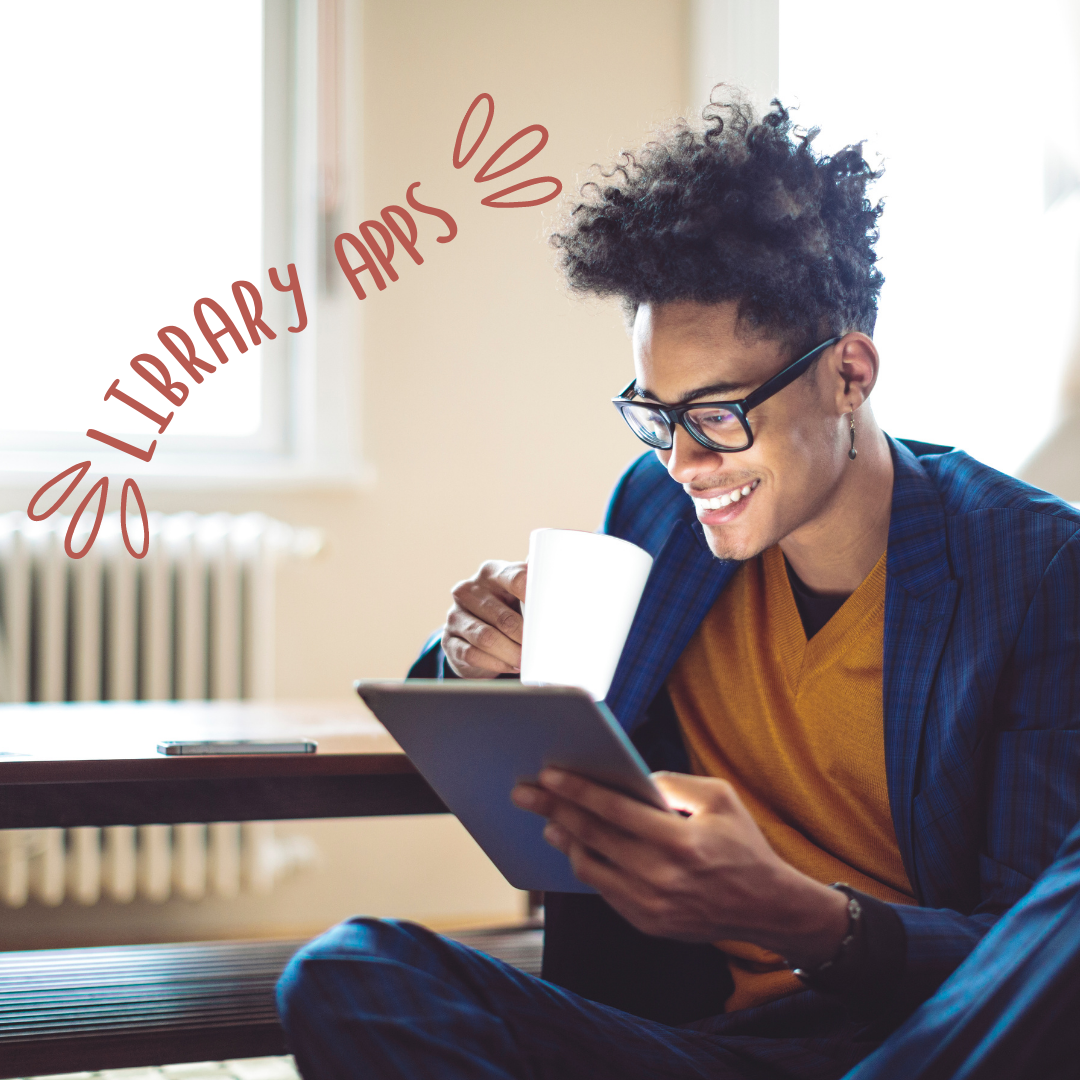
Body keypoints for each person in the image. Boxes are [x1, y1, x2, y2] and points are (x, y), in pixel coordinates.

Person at [277, 97, 1080, 1078]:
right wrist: (476, 664)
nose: (686, 461)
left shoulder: (1033, 568)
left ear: (849, 375)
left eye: (719, 414)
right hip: (694, 1044)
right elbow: (539, 761)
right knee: (353, 972)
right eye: (657, 417)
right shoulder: (657, 521)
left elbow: (1028, 959)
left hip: (928, 1045)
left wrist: (791, 912)